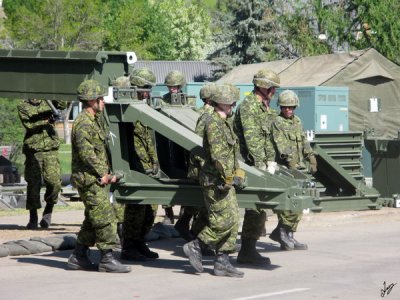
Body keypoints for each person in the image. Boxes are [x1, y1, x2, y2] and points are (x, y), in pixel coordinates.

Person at [67, 79, 131, 273]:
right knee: (104, 218)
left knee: (92, 218)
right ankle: (106, 258)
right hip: (90, 179)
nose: (103, 102)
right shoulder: (83, 124)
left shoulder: (94, 120)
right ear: (90, 101)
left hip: (95, 178)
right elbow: (88, 155)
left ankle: (78, 256)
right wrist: (104, 174)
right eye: (100, 99)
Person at [183, 84, 245, 278]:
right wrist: (228, 178)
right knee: (222, 220)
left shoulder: (225, 121)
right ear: (226, 102)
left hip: (226, 180)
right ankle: (196, 245)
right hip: (216, 181)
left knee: (233, 219)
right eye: (232, 102)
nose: (234, 105)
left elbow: (233, 154)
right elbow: (219, 157)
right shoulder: (213, 122)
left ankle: (222, 262)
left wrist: (240, 175)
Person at [233, 69, 280, 265]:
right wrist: (262, 168)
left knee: (259, 208)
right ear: (263, 87)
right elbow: (252, 141)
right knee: (255, 206)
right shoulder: (249, 106)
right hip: (247, 164)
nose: (274, 92)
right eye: (272, 88)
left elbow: (268, 138)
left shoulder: (263, 106)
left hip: (259, 164)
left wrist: (272, 162)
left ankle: (248, 249)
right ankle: (246, 251)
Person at [119, 68, 160, 261]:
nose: (148, 93)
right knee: (136, 208)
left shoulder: (143, 105)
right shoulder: (127, 107)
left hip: (148, 165)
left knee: (151, 207)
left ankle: (139, 241)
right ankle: (129, 246)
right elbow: (133, 142)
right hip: (136, 166)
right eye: (145, 89)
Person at [269, 90, 317, 250]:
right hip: (285, 169)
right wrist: (292, 165)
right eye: (285, 107)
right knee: (288, 203)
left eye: (291, 107)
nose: (288, 110)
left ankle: (289, 234)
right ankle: (282, 231)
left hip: (298, 168)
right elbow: (282, 146)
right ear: (281, 108)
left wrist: (311, 156)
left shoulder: (297, 121)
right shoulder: (277, 122)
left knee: (299, 204)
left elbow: (303, 141)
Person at [18, 98, 66, 229]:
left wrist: (54, 95)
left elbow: (63, 103)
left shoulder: (48, 101)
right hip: (33, 149)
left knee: (54, 182)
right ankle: (33, 217)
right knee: (33, 184)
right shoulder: (23, 105)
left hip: (50, 148)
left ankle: (48, 210)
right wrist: (47, 120)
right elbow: (29, 124)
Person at [160, 70, 188, 224]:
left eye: (175, 86)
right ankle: (168, 212)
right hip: (166, 143)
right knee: (166, 175)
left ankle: (184, 215)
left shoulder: (186, 101)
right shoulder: (163, 100)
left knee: (186, 176)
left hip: (183, 146)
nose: (172, 89)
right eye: (170, 86)